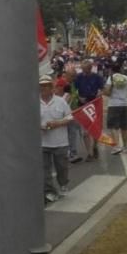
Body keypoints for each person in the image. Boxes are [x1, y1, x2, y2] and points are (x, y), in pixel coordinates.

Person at [40, 75, 74, 204]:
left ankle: (63, 184)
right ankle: (49, 192)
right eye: (41, 86)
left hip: (60, 142)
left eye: (46, 86)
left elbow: (70, 117)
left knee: (62, 167)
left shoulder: (61, 101)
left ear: (51, 88)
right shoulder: (35, 101)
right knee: (44, 169)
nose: (43, 88)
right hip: (43, 142)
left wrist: (58, 123)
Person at [73, 60, 104, 161]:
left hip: (94, 104)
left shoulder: (97, 77)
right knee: (85, 132)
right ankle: (89, 153)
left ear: (90, 69)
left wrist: (99, 93)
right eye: (82, 69)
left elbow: (102, 89)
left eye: (85, 69)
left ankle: (95, 145)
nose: (83, 71)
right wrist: (79, 97)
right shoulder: (79, 77)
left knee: (94, 128)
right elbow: (74, 90)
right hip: (83, 104)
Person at [105, 65, 127, 155]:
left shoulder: (111, 78)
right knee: (124, 127)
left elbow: (107, 90)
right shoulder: (126, 78)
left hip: (114, 104)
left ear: (111, 70)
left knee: (113, 126)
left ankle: (116, 146)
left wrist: (108, 93)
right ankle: (125, 147)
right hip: (125, 104)